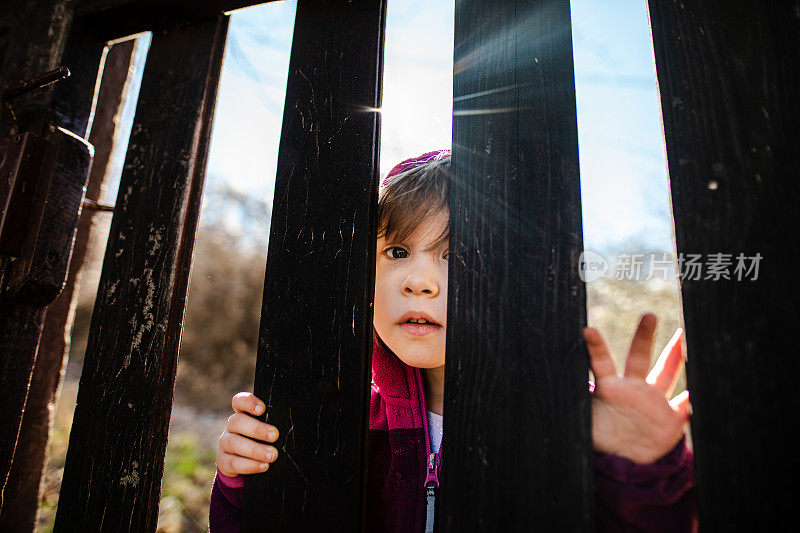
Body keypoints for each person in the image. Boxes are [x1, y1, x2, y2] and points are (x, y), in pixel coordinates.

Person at [209, 150, 697, 532]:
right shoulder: (336, 419)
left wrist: (645, 473)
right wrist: (243, 483)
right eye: (397, 250)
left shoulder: (570, 423)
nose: (419, 281)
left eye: (455, 255)